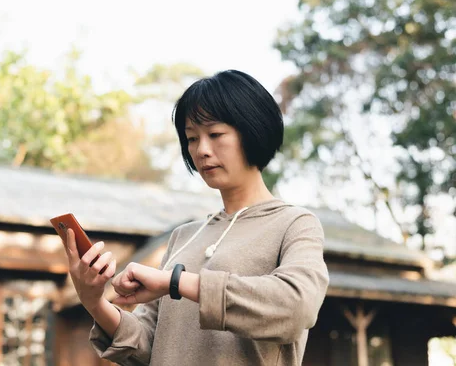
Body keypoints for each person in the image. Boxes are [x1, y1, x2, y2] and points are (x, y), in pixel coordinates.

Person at [63, 70, 330, 366]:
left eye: (215, 135)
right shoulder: (184, 236)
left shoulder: (294, 224)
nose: (202, 150)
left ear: (254, 130)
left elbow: (297, 307)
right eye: (192, 138)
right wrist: (93, 300)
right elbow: (147, 344)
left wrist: (175, 282)